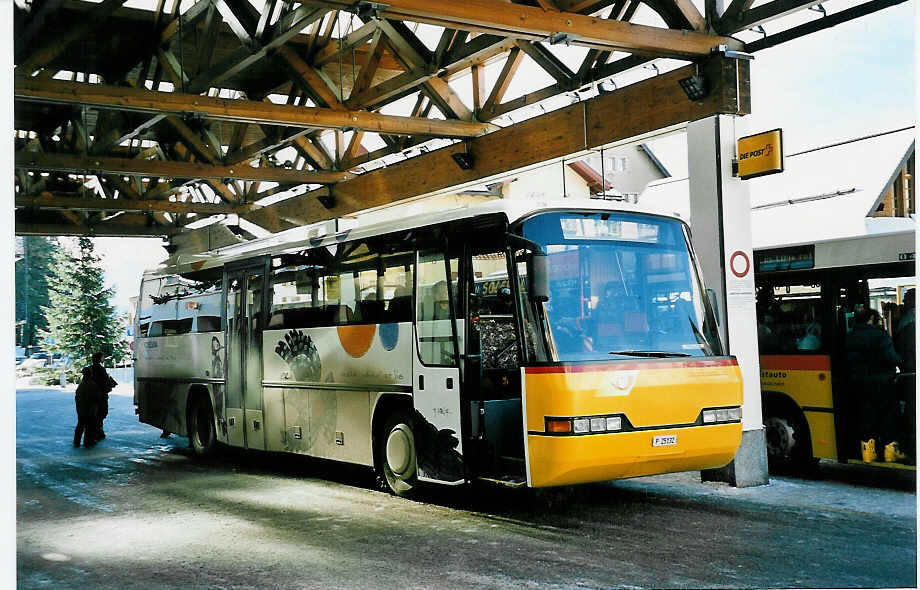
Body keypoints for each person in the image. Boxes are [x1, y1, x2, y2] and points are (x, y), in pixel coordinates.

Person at [845, 308, 902, 462]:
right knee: (887, 417)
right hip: (882, 383)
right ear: (871, 318)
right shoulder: (880, 336)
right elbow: (892, 358)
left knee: (866, 416)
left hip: (859, 384)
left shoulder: (850, 337)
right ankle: (890, 452)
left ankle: (868, 453)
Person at [89, 352, 117, 443]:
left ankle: (96, 432)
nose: (104, 358)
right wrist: (111, 383)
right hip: (100, 395)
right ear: (99, 358)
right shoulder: (100, 369)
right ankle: (97, 433)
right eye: (102, 357)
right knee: (101, 414)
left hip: (93, 395)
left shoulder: (91, 368)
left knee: (96, 414)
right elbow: (104, 381)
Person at [73, 365, 101, 447]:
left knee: (80, 425)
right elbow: (97, 397)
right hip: (90, 409)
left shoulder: (81, 384)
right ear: (90, 374)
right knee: (89, 426)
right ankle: (88, 442)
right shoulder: (92, 384)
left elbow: (77, 397)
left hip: (81, 409)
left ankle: (76, 441)